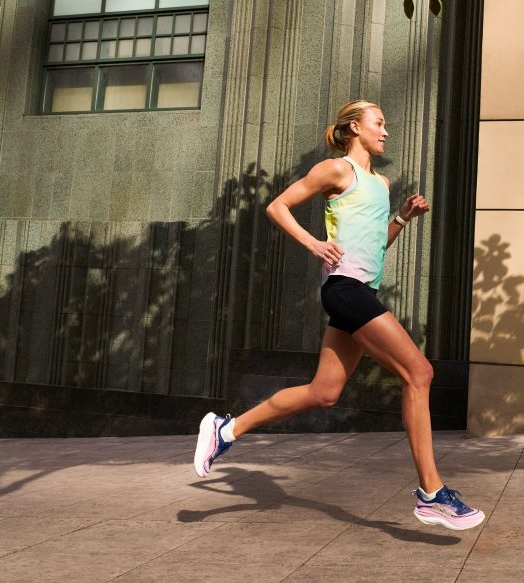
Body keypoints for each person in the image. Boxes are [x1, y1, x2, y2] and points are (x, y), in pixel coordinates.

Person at [192, 100, 484, 531]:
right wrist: (314, 245)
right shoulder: (336, 170)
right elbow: (277, 207)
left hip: (360, 289)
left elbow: (374, 248)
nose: (385, 132)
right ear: (354, 127)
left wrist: (402, 217)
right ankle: (431, 494)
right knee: (419, 373)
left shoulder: (380, 183)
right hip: (344, 290)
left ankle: (226, 430)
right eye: (379, 124)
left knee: (324, 392)